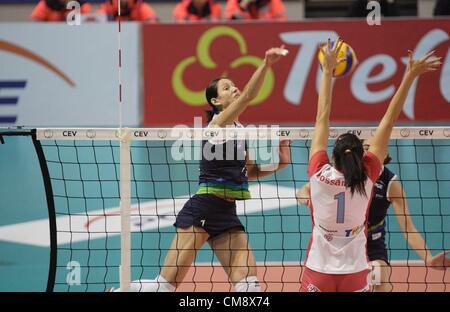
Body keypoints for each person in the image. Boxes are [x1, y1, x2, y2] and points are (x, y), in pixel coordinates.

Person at [109, 45, 290, 292]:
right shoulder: (218, 125)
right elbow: (248, 95)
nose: (234, 88)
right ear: (215, 101)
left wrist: (280, 163)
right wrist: (266, 64)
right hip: (203, 209)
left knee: (250, 288)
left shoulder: (240, 131)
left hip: (227, 213)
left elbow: (250, 171)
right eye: (227, 88)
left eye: (233, 85)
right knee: (164, 288)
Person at [297, 37, 441, 292]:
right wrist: (409, 76)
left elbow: (322, 116)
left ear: (332, 155)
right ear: (362, 155)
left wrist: (327, 72)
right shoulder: (369, 175)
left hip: (318, 271)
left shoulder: (318, 172)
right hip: (356, 272)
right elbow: (389, 120)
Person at [297, 141, 443, 292]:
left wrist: (428, 258)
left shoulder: (390, 183)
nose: (370, 152)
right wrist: (305, 199)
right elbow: (305, 189)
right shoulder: (347, 173)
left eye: (374, 148)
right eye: (366, 148)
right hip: (345, 241)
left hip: (372, 244)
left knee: (379, 280)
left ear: (384, 153)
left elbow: (408, 228)